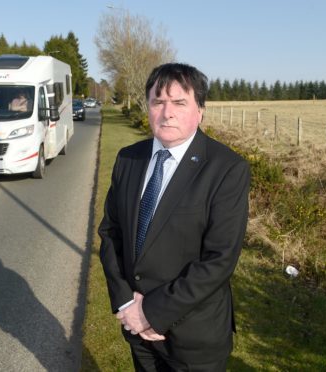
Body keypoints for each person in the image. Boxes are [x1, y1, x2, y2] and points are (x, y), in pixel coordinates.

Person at [98, 63, 250, 371]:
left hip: (193, 338)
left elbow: (218, 260)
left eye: (179, 102)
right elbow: (111, 234)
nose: (167, 112)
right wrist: (126, 302)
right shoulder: (128, 159)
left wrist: (151, 313)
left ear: (200, 110)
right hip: (136, 329)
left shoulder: (226, 169)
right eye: (158, 101)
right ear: (149, 107)